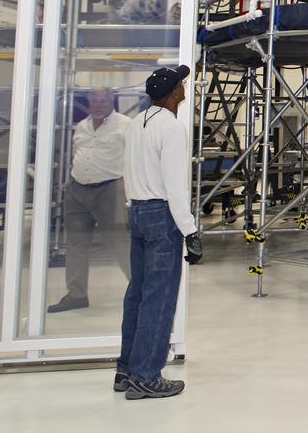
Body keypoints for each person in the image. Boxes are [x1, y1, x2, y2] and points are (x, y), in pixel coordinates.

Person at [117, 65, 202, 400]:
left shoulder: (137, 123)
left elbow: (128, 170)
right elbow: (175, 187)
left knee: (137, 294)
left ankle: (125, 369)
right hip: (161, 215)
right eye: (181, 84)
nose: (184, 88)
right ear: (173, 94)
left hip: (137, 210)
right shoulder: (171, 127)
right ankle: (146, 375)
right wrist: (191, 230)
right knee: (159, 297)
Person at [48, 88, 132, 314]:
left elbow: (136, 157)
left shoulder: (125, 125)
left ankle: (138, 289)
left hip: (110, 189)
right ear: (88, 103)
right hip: (77, 190)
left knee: (119, 243)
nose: (98, 104)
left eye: (103, 100)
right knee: (75, 243)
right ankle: (76, 295)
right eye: (94, 100)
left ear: (111, 101)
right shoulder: (82, 126)